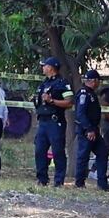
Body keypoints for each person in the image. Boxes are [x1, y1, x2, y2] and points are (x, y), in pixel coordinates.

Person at [32, 57, 74, 186]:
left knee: (57, 151)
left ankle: (58, 181)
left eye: (44, 66)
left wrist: (52, 101)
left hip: (55, 122)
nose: (43, 68)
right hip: (43, 122)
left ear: (51, 67)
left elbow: (69, 102)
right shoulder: (44, 83)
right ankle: (42, 179)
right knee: (39, 150)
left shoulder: (62, 83)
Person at [74, 70, 109, 191]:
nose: (99, 83)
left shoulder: (91, 93)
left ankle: (102, 183)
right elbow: (80, 114)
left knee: (102, 153)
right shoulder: (84, 94)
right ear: (94, 81)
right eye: (98, 81)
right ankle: (79, 183)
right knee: (83, 155)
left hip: (94, 129)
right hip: (87, 130)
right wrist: (89, 129)